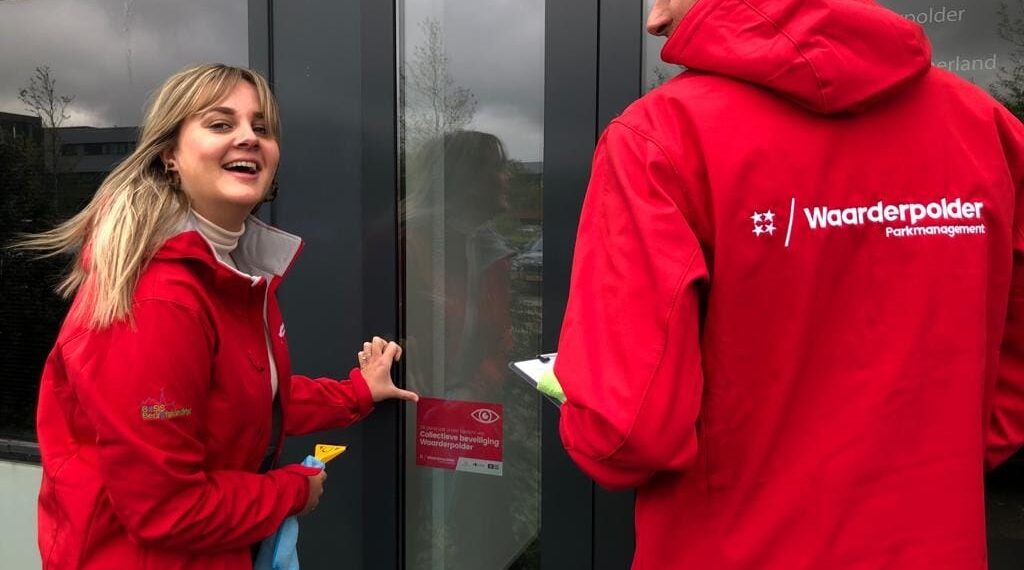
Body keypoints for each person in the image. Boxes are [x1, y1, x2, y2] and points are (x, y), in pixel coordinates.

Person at [553, 0, 1024, 568]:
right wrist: (936, 454)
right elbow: (1008, 393)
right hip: (934, 544)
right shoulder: (986, 126)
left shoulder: (658, 137)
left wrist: (577, 397)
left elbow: (626, 434)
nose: (654, 19)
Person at [23, 63, 418, 569]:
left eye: (262, 128)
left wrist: (358, 392)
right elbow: (166, 510)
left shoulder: (230, 273)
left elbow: (244, 401)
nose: (248, 138)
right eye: (220, 124)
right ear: (169, 155)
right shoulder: (158, 300)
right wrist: (292, 491)